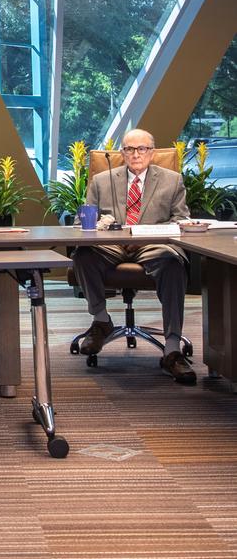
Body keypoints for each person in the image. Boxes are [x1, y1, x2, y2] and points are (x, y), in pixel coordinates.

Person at [73, 128, 194, 384]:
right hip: (112, 243)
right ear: (122, 153)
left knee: (173, 262)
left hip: (153, 243)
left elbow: (181, 220)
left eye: (142, 149)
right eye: (129, 149)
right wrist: (99, 225)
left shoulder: (172, 180)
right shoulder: (102, 180)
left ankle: (172, 348)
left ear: (152, 152)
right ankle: (101, 320)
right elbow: (81, 220)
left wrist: (155, 233)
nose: (136, 154)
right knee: (83, 254)